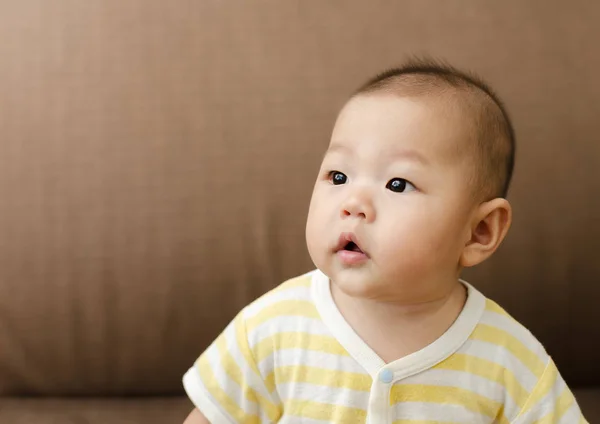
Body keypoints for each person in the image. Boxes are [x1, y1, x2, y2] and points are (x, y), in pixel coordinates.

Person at [182, 59, 588, 423]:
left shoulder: (509, 359)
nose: (353, 203)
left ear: (479, 232)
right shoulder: (272, 325)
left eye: (398, 184)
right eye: (338, 177)